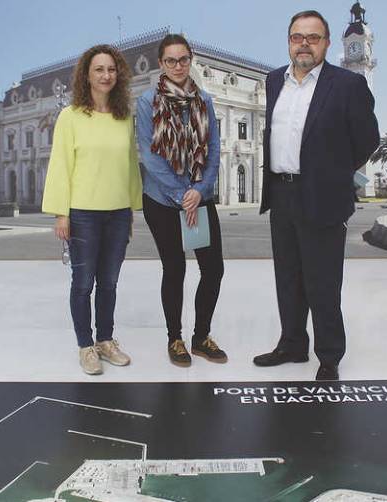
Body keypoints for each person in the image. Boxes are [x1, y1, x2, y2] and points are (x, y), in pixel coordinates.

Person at [252, 10, 380, 381]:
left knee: (323, 281)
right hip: (282, 193)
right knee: (288, 277)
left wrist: (334, 173)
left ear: (325, 43)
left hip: (323, 195)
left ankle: (329, 356)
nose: (304, 44)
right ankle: (292, 343)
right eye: (297, 37)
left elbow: (367, 139)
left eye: (313, 37)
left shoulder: (347, 85)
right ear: (289, 42)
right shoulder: (275, 80)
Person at [42, 44, 142, 375]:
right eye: (99, 69)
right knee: (83, 282)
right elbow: (60, 165)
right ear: (87, 75)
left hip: (117, 213)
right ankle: (86, 346)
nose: (106, 75)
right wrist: (61, 213)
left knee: (109, 283)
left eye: (111, 69)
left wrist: (130, 210)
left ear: (119, 75)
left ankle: (106, 341)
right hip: (82, 214)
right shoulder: (70, 117)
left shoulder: (123, 116)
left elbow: (130, 165)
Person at [136, 34, 227, 367]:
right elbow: (149, 154)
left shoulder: (205, 100)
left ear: (191, 60)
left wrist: (199, 192)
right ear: (161, 64)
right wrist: (181, 195)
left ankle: (201, 336)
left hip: (198, 196)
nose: (177, 66)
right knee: (174, 268)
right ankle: (175, 338)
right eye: (171, 60)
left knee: (213, 269)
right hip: (161, 200)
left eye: (183, 59)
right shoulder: (148, 102)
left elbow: (214, 150)